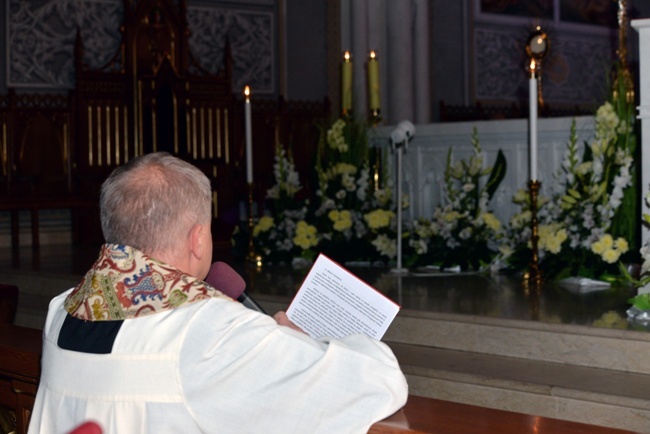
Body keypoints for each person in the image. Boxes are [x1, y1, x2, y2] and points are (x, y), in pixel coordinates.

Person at [28, 152, 408, 434]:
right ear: (198, 239)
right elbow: (379, 383)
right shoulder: (205, 331)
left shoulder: (61, 311)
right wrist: (303, 342)